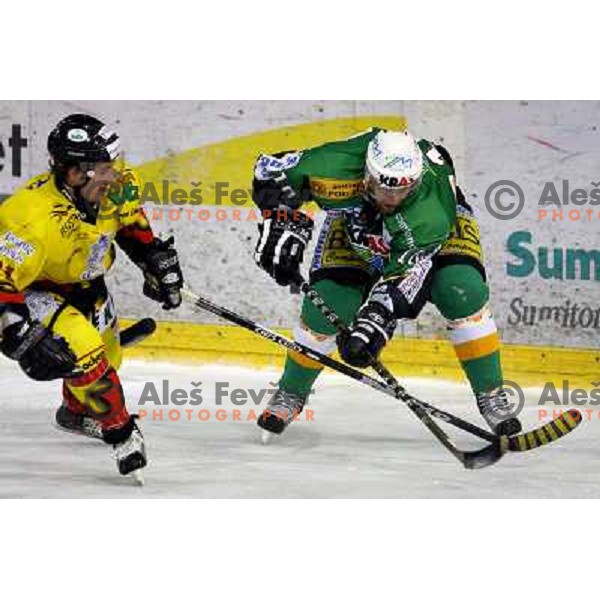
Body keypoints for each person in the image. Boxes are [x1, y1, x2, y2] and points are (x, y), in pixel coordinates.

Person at [251, 128, 522, 438]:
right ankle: (291, 392)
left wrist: (374, 324)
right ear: (367, 173)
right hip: (355, 225)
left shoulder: (430, 213)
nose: (392, 199)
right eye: (384, 188)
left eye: (403, 190)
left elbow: (405, 278)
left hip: (433, 238)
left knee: (461, 290)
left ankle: (491, 394)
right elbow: (268, 173)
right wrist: (278, 218)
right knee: (326, 303)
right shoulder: (334, 166)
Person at [0, 113, 184, 477]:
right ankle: (121, 432)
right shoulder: (29, 219)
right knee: (85, 349)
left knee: (108, 360)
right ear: (73, 173)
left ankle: (75, 411)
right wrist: (18, 336)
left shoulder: (116, 182)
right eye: (103, 168)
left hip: (89, 284)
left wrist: (153, 257)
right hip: (39, 291)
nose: (114, 175)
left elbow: (129, 222)